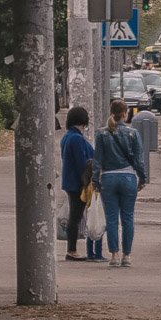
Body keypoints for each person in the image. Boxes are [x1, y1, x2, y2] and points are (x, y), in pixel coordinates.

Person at [93, 99, 148, 267]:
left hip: (108, 178)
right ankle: (127, 255)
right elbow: (139, 160)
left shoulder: (102, 134)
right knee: (128, 218)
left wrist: (95, 180)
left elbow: (98, 160)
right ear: (125, 113)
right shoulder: (133, 133)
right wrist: (142, 177)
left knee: (111, 219)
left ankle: (114, 255)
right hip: (128, 178)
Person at [60, 106, 94, 261]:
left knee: (75, 215)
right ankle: (71, 249)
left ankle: (71, 248)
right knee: (75, 216)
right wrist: (88, 181)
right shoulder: (77, 139)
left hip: (70, 181)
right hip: (77, 182)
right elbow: (83, 163)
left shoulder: (67, 137)